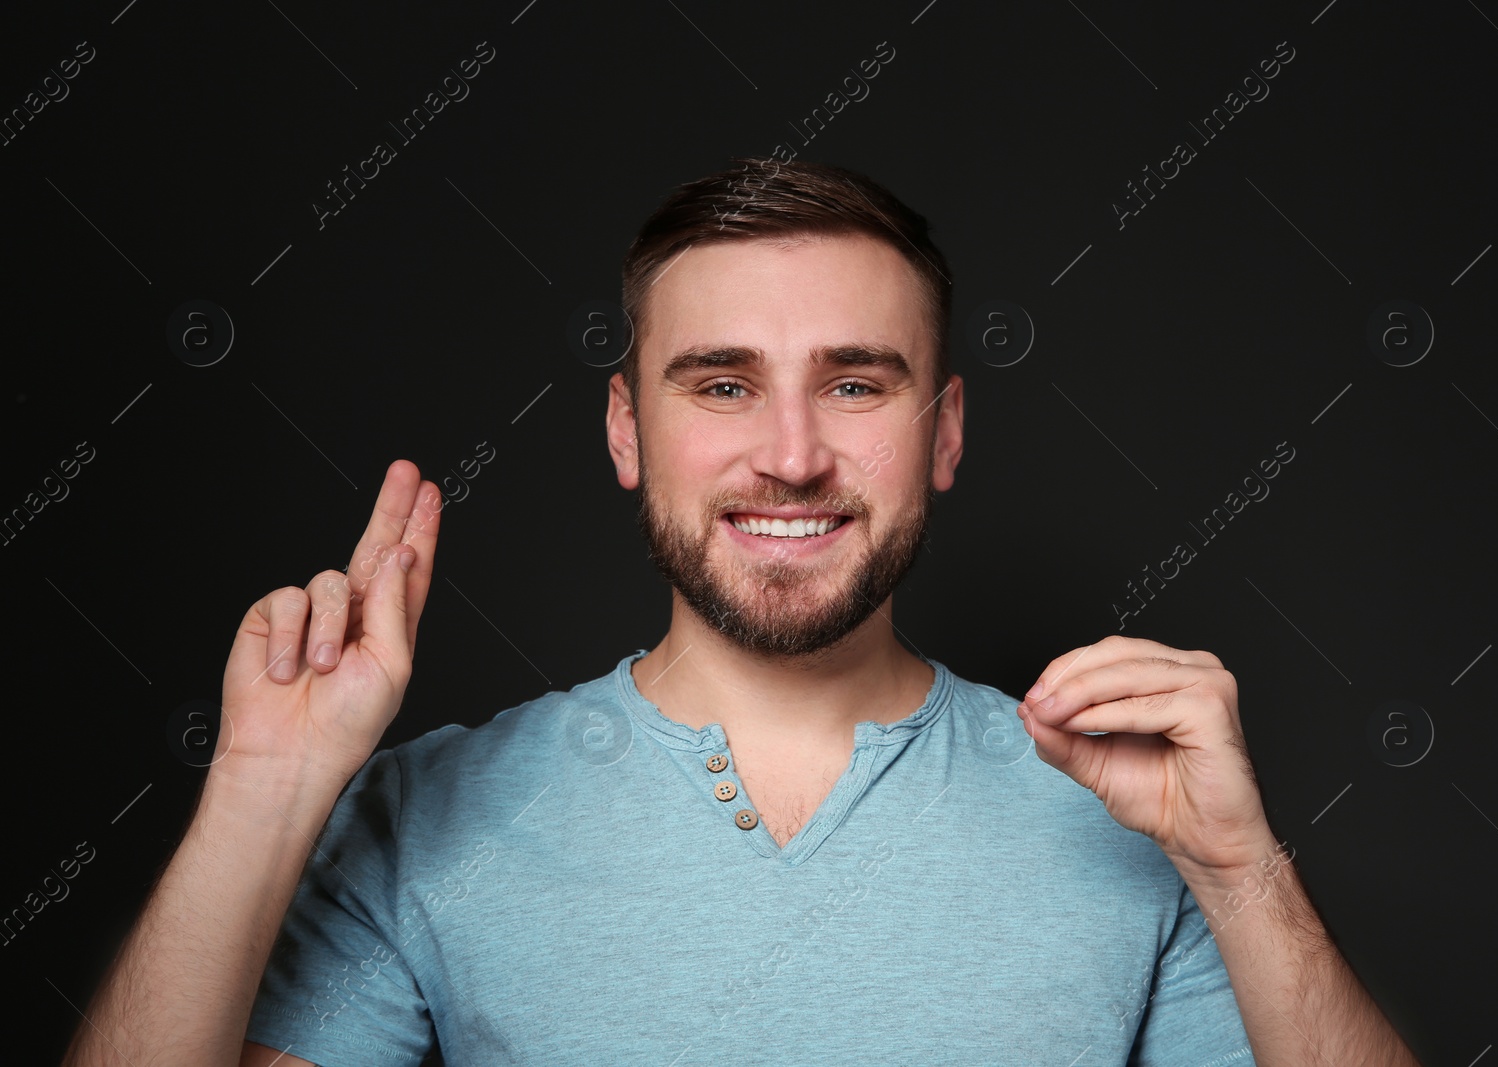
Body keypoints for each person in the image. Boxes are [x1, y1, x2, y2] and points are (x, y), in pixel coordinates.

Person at [62, 159, 1419, 1066]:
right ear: (624, 429)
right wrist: (260, 794)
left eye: (855, 384)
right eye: (720, 384)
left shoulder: (1136, 823)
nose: (789, 453)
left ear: (945, 430)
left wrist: (1246, 880)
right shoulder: (426, 818)